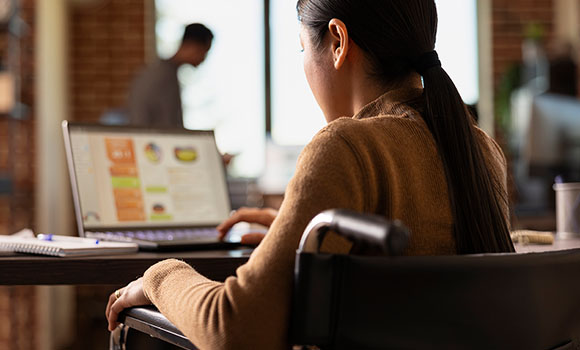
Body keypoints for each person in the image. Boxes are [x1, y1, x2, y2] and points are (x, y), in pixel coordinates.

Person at [106, 1, 514, 348]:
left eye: (302, 47)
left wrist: (160, 275)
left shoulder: (345, 145)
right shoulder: (481, 150)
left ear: (337, 42)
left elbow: (234, 327)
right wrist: (296, 229)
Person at [127, 23, 213, 128]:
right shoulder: (159, 75)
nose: (203, 59)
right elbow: (139, 117)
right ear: (193, 46)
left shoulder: (169, 73)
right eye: (204, 52)